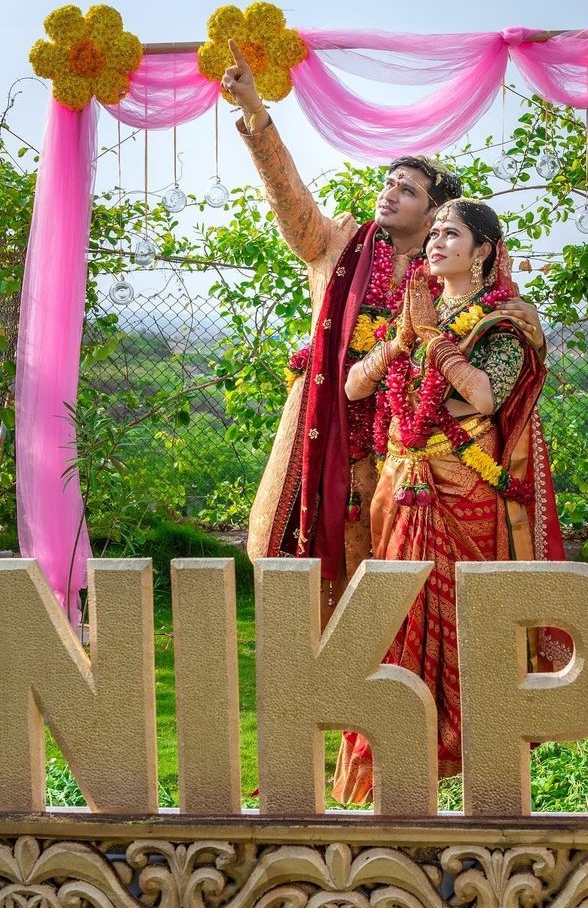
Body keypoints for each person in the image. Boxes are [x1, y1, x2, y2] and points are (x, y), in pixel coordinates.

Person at [221, 43, 545, 620]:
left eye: (407, 189)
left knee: (391, 559)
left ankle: (394, 659)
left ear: (437, 212)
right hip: (328, 416)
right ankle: (321, 662)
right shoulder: (337, 244)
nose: (388, 193)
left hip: (411, 434)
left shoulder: (448, 272)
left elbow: (498, 322)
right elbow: (289, 200)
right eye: (389, 182)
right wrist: (255, 113)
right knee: (307, 550)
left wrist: (531, 327)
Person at [333, 199, 570, 804]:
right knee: (395, 617)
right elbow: (354, 385)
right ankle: (397, 762)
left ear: (483, 250)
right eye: (434, 231)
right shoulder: (416, 310)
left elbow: (484, 398)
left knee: (468, 623)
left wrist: (435, 342)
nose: (435, 241)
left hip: (464, 490)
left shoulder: (504, 322)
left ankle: (480, 767)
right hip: (401, 484)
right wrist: (398, 343)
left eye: (452, 233)